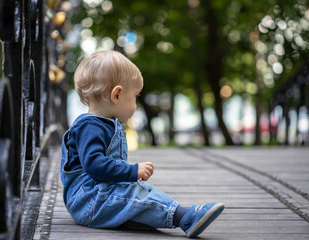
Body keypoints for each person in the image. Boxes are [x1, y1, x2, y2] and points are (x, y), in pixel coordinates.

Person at [60, 50, 224, 238]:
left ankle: (144, 217)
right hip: (89, 200)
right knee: (135, 194)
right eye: (135, 97)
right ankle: (184, 217)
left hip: (97, 196)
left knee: (139, 191)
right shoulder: (90, 126)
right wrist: (132, 171)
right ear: (117, 95)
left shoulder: (103, 124)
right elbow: (94, 165)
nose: (136, 104)